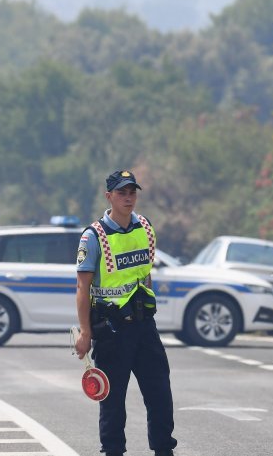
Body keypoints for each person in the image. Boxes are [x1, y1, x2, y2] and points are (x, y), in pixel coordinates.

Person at [74, 169, 177, 456]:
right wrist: (85, 332)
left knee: (160, 394)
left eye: (132, 192)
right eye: (122, 192)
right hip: (111, 330)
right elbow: (82, 288)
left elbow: (145, 276)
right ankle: (113, 452)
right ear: (109, 196)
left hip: (144, 327)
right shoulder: (94, 236)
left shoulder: (144, 227)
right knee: (112, 401)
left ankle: (163, 450)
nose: (128, 198)